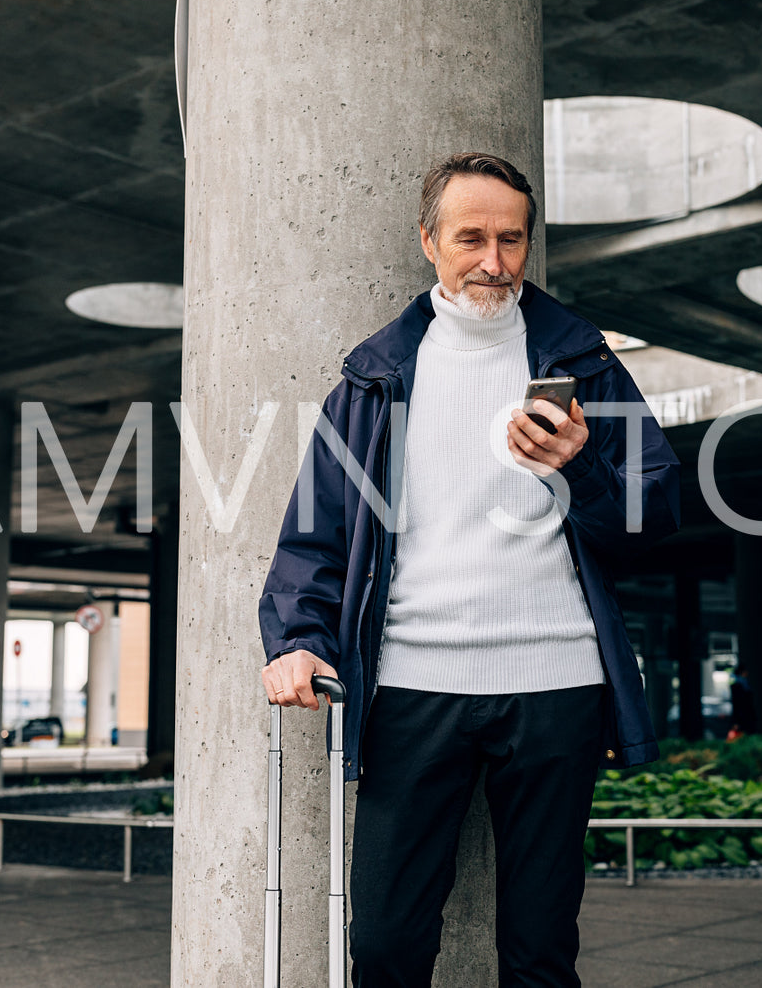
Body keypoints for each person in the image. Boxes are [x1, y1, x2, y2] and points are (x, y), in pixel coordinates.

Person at [258, 152, 681, 986]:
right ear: (429, 241)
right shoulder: (374, 378)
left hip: (558, 681)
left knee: (538, 948)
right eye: (471, 238)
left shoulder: (583, 363)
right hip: (412, 687)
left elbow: (654, 515)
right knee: (384, 942)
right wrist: (298, 636)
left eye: (511, 240)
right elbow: (317, 530)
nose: (493, 261)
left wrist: (580, 467)